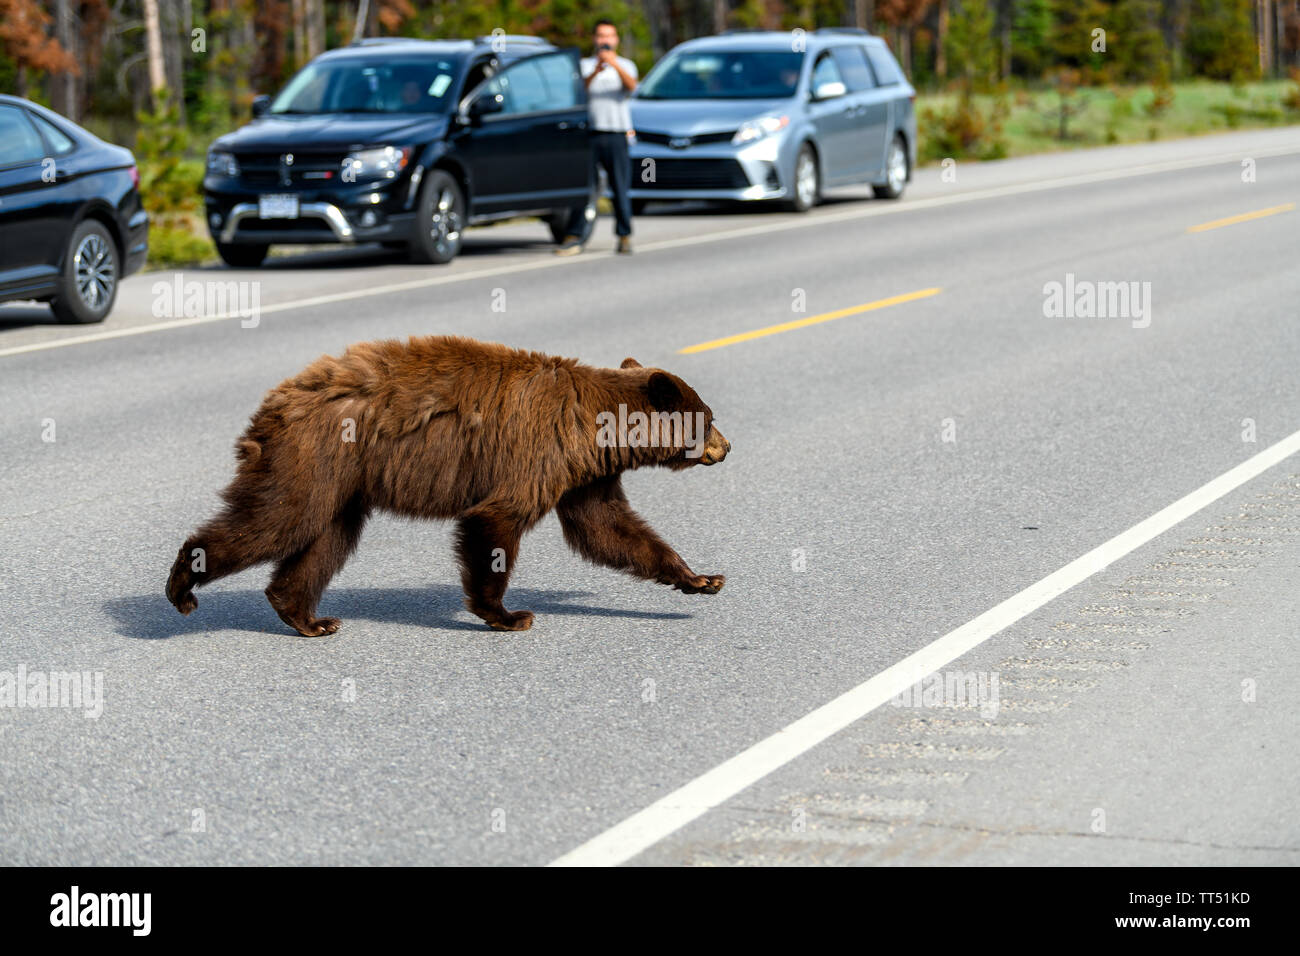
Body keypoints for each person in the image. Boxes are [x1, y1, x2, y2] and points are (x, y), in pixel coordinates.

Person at [556, 20, 638, 256]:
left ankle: (624, 235)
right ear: (594, 39)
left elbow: (632, 87)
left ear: (616, 40)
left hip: (616, 133)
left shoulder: (626, 65)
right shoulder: (584, 66)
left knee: (620, 187)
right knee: (583, 187)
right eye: (601, 36)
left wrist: (614, 65)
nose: (605, 40)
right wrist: (597, 70)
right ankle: (574, 236)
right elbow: (579, 92)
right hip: (589, 134)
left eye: (610, 36)